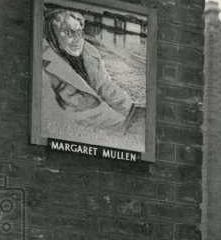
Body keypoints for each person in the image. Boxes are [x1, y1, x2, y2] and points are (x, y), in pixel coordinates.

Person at [42, 9, 144, 141]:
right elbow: (80, 109)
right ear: (52, 35)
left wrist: (132, 111)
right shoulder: (45, 63)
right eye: (69, 33)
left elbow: (105, 86)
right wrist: (125, 125)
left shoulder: (89, 51)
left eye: (79, 32)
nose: (77, 39)